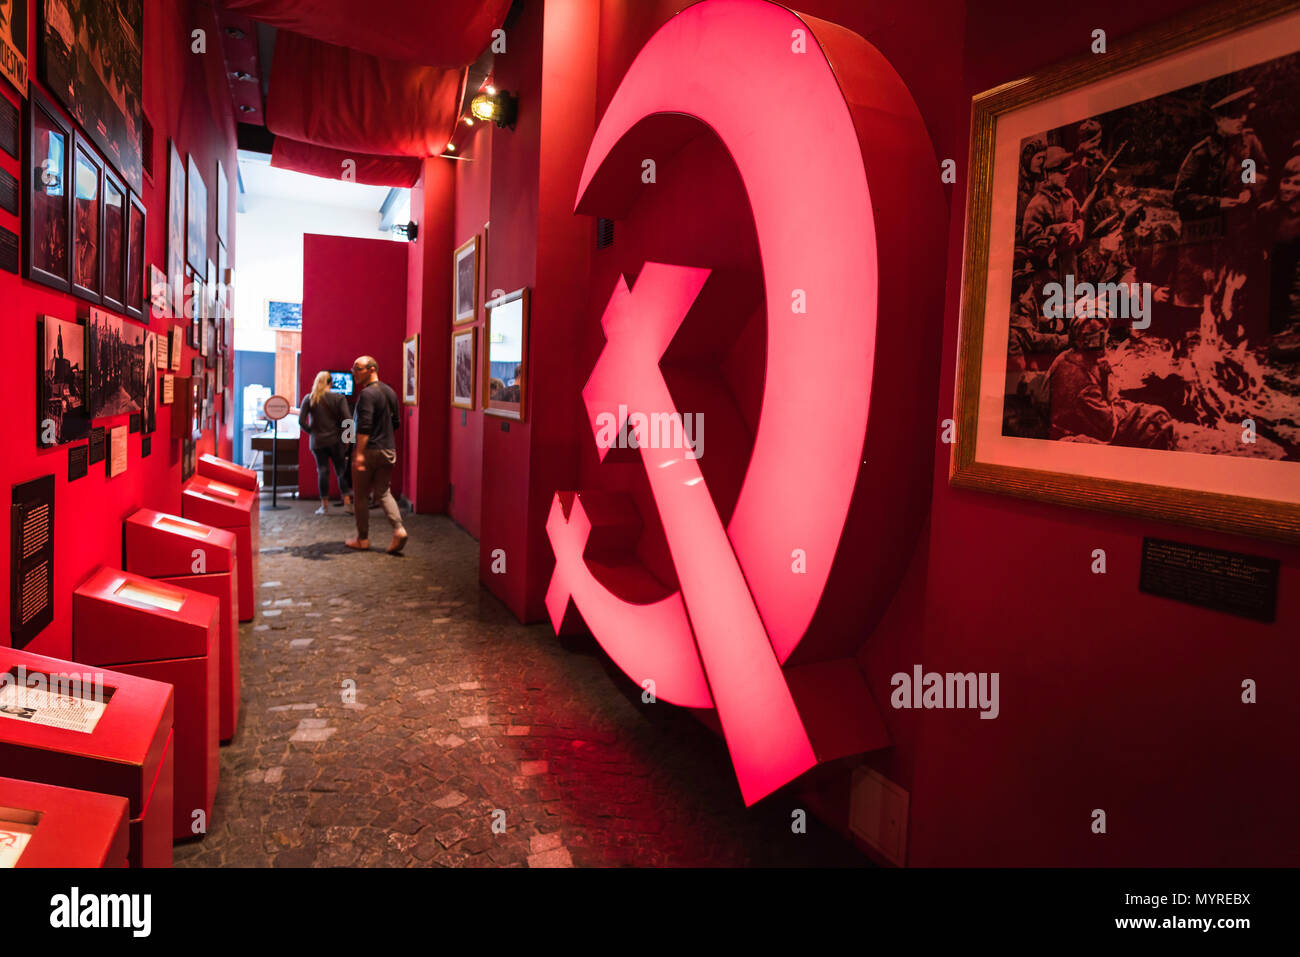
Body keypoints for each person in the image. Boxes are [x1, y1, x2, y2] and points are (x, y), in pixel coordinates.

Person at [345, 355, 407, 554]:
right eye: (354, 368)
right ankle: (399, 530)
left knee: (361, 496)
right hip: (388, 449)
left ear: (372, 369)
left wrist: (359, 454)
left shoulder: (367, 394)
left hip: (369, 449)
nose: (354, 372)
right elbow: (396, 422)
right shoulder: (390, 392)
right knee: (383, 492)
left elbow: (364, 426)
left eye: (358, 368)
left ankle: (362, 539)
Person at [299, 371, 353, 515]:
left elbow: (301, 421)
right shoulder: (339, 397)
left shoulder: (309, 398)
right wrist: (348, 440)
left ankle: (324, 506)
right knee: (341, 471)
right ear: (331, 383)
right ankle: (348, 504)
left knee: (322, 471)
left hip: (318, 442)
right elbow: (348, 420)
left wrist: (312, 432)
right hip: (336, 441)